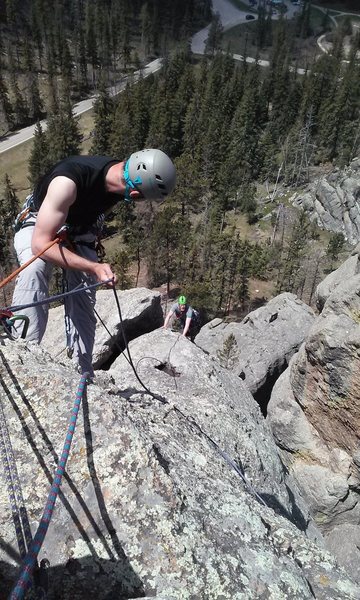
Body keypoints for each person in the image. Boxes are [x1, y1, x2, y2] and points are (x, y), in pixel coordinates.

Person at [12, 149, 176, 377]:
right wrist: (93, 266)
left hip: (79, 230)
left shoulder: (121, 176)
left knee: (84, 292)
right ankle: (23, 353)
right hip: (38, 222)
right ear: (137, 193)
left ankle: (83, 369)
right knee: (35, 267)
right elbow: (40, 244)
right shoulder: (67, 182)